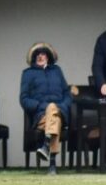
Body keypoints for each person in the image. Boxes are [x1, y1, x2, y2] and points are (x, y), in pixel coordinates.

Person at [19, 43, 71, 175]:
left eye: (43, 54)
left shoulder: (57, 71)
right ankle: (52, 164)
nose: (41, 56)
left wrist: (63, 106)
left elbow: (67, 93)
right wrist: (41, 106)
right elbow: (24, 99)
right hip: (40, 116)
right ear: (34, 58)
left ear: (48, 57)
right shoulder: (28, 74)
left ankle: (46, 146)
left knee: (54, 111)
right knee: (54, 119)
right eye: (38, 54)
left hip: (60, 111)